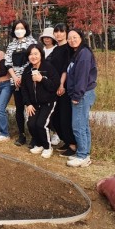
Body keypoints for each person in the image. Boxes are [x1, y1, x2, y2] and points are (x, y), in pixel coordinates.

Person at [65, 29, 97, 168]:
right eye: (69, 38)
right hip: (82, 93)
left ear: (81, 38)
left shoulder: (83, 54)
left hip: (82, 95)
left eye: (75, 37)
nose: (72, 40)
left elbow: (82, 78)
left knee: (78, 126)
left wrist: (77, 95)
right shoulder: (77, 53)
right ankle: (85, 153)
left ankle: (82, 155)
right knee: (83, 125)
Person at [22, 44, 60, 159]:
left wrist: (41, 79)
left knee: (41, 124)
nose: (33, 57)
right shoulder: (27, 70)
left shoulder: (48, 67)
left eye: (35, 54)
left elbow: (54, 85)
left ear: (41, 54)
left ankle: (48, 147)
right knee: (31, 124)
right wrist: (28, 104)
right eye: (30, 54)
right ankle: (38, 144)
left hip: (48, 102)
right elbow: (24, 89)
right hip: (34, 104)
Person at [4, 19, 38, 146]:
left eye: (21, 28)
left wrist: (23, 77)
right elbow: (7, 62)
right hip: (15, 81)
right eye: (16, 28)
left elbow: (34, 61)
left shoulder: (32, 42)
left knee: (32, 107)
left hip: (29, 80)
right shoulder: (11, 45)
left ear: (26, 29)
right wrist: (14, 77)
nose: (19, 30)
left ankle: (35, 136)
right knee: (19, 109)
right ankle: (22, 134)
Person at [49, 23, 78, 156]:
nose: (58, 34)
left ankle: (73, 146)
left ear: (66, 33)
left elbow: (65, 69)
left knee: (65, 117)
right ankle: (66, 140)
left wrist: (61, 85)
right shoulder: (55, 49)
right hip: (54, 87)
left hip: (64, 88)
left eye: (61, 31)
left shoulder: (68, 49)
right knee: (55, 117)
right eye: (56, 31)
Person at [39, 27, 62, 147]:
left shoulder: (57, 50)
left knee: (54, 111)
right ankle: (45, 132)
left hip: (52, 83)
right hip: (40, 84)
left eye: (49, 37)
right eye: (45, 37)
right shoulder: (40, 50)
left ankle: (56, 133)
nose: (47, 39)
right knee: (44, 110)